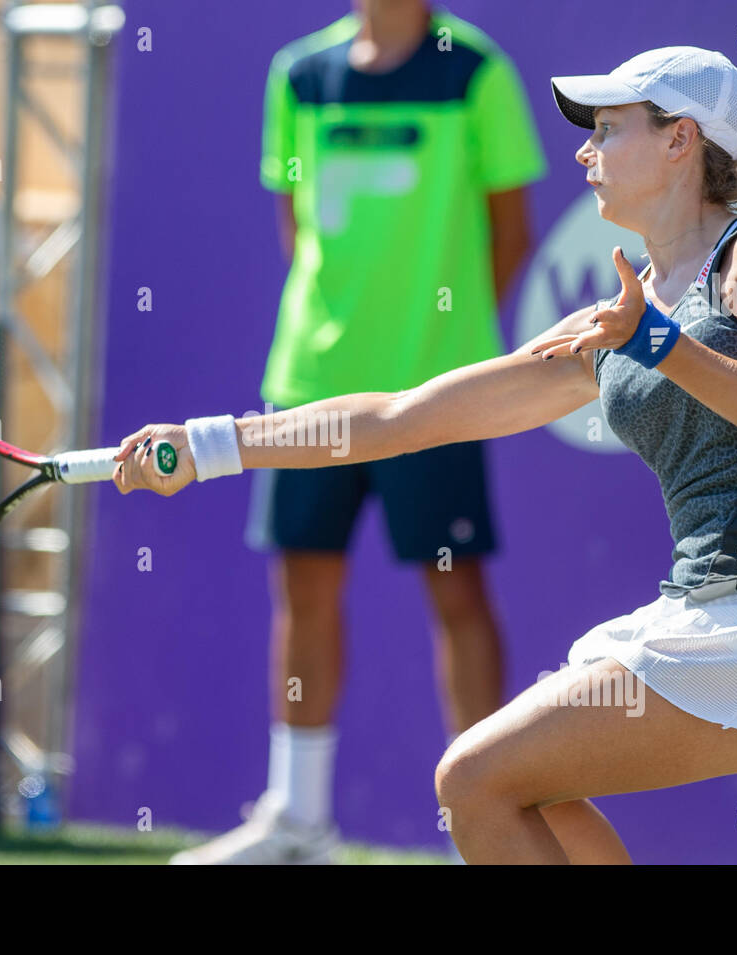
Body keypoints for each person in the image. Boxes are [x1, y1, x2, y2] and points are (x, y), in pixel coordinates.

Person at [112, 46, 737, 864]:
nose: (585, 151)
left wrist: (661, 343)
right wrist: (214, 444)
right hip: (710, 611)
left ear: (681, 139)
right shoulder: (616, 319)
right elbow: (401, 417)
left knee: (474, 777)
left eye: (609, 129)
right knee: (518, 788)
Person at [166, 0, 547, 864]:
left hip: (438, 394)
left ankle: (480, 830)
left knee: (457, 595)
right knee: (303, 586)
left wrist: (441, 350)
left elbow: (511, 229)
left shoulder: (473, 68)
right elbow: (298, 222)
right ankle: (299, 819)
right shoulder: (300, 74)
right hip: (310, 388)